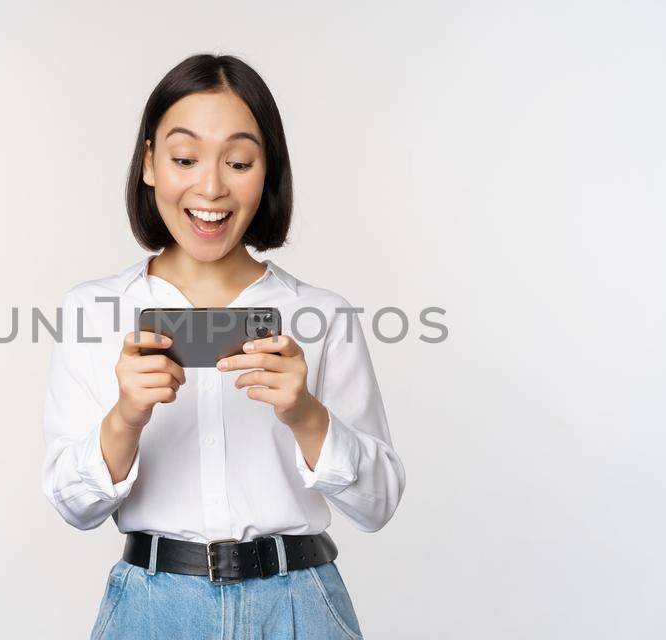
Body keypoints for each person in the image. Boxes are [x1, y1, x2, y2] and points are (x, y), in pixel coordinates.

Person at [40, 53, 406, 639]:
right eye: (185, 158)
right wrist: (125, 417)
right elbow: (74, 508)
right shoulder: (93, 311)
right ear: (150, 164)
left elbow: (379, 503)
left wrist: (306, 414)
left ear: (268, 172)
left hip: (300, 606)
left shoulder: (320, 315)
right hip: (151, 610)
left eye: (238, 161)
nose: (211, 187)